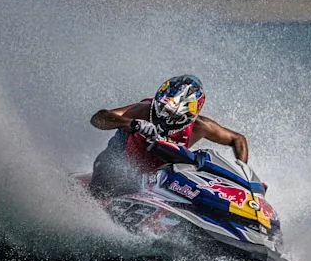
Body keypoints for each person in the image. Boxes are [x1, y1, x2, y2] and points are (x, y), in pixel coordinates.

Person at [86, 75, 248, 198]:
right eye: (162, 110)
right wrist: (133, 124)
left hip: (156, 177)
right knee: (112, 172)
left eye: (173, 116)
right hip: (119, 165)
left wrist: (243, 170)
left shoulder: (200, 126)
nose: (164, 119)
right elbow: (98, 118)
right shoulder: (143, 110)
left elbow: (238, 139)